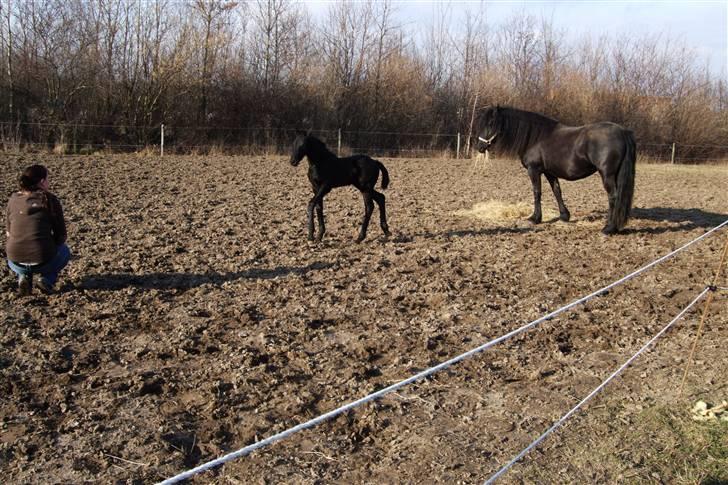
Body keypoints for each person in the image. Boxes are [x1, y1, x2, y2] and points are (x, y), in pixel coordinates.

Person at [5, 164, 71, 296]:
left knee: (19, 245)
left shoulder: (13, 200)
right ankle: (46, 279)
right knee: (64, 251)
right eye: (47, 179)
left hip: (14, 259)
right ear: (42, 182)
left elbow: (9, 232)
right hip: (43, 259)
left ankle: (23, 277)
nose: (49, 182)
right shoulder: (49, 200)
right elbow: (61, 236)